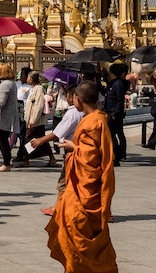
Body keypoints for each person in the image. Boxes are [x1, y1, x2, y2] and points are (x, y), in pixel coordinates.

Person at [45, 81, 117, 273]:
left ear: (79, 99)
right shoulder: (96, 119)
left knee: (72, 225)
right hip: (83, 190)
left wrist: (73, 148)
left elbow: (89, 159)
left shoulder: (92, 123)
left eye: (73, 97)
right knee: (70, 226)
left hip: (85, 192)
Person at [17, 72, 53, 167]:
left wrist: (33, 120)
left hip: (36, 121)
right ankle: (51, 158)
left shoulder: (39, 89)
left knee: (28, 139)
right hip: (31, 120)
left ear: (32, 79)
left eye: (28, 77)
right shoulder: (33, 89)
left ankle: (26, 158)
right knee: (40, 139)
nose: (27, 79)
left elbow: (38, 106)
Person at [102, 63, 129, 164]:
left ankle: (119, 154)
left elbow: (119, 100)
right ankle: (116, 153)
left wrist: (115, 114)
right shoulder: (112, 83)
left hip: (114, 112)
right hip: (110, 110)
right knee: (113, 134)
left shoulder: (118, 84)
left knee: (116, 134)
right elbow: (104, 92)